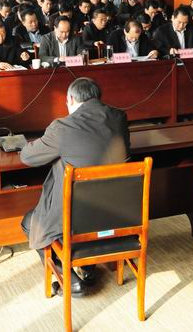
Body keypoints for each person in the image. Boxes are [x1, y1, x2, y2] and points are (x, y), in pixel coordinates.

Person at [20, 77, 130, 296]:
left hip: (76, 219)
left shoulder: (63, 127)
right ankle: (88, 269)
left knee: (29, 223)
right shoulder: (119, 117)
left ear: (70, 99)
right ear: (97, 97)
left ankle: (68, 280)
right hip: (115, 214)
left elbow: (28, 157)